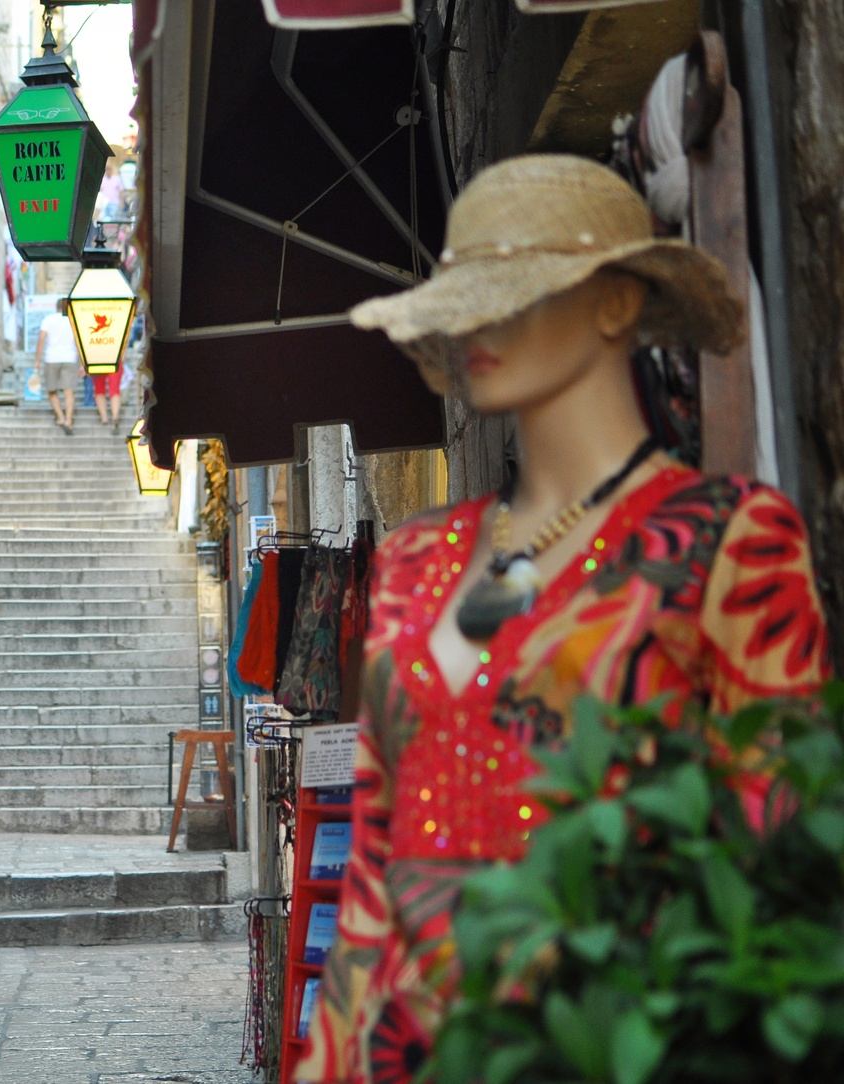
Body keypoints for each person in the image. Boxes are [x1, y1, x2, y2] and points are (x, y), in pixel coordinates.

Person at [298, 155, 829, 1083]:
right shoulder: (414, 562)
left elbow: (778, 849)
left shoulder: (726, 538)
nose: (479, 327)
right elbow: (374, 873)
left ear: (615, 304)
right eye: (470, 300)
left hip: (607, 1047)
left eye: (514, 297)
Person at [35, 298, 81, 434]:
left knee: (52, 390)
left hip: (51, 358)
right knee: (69, 391)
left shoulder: (48, 319)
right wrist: (82, 363)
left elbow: (41, 339)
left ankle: (60, 417)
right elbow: (79, 341)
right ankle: (69, 420)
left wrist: (37, 360)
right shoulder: (73, 320)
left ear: (56, 307)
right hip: (70, 358)